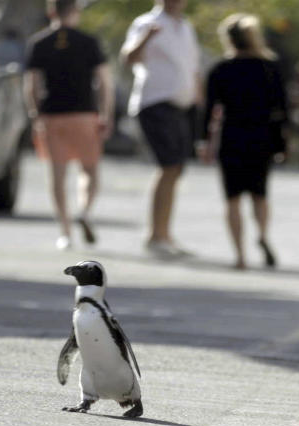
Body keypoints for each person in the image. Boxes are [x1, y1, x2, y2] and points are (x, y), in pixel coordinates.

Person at [198, 14, 287, 271]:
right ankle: (262, 235)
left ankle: (240, 255)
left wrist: (204, 141)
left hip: (232, 136)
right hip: (263, 136)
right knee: (260, 195)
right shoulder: (269, 67)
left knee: (232, 198)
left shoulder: (221, 69)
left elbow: (208, 110)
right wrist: (282, 142)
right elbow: (282, 108)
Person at [24, 0, 113, 251]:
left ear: (51, 12)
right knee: (90, 171)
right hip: (85, 114)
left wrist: (35, 116)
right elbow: (105, 83)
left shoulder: (39, 43)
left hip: (52, 116)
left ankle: (65, 232)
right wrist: (106, 114)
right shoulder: (89, 42)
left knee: (57, 175)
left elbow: (31, 85)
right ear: (75, 12)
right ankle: (84, 210)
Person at [121, 0, 201, 257]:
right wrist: (146, 38)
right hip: (154, 104)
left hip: (181, 107)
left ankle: (164, 234)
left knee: (176, 168)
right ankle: (156, 237)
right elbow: (129, 58)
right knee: (168, 166)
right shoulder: (146, 23)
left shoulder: (186, 26)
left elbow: (192, 67)